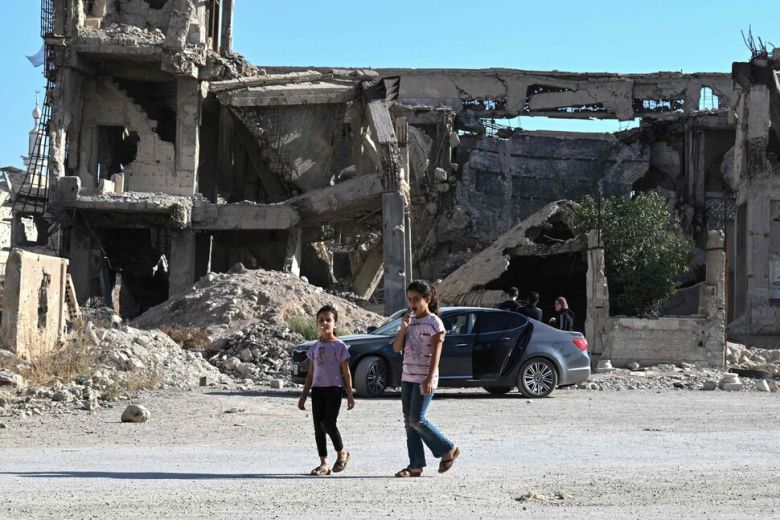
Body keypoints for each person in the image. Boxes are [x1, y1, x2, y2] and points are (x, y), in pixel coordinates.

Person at [392, 280, 460, 478]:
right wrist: (403, 327)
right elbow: (396, 348)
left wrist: (429, 379)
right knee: (409, 422)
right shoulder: (409, 320)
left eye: (416, 299)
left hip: (425, 378)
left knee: (417, 419)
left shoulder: (434, 323)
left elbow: (436, 354)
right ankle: (415, 465)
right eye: (410, 299)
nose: (412, 303)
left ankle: (448, 448)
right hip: (407, 377)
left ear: (427, 300)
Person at [298, 305, 355, 476]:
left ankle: (342, 453)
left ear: (335, 324)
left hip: (334, 390)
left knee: (328, 423)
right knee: (318, 427)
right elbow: (310, 374)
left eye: (328, 320)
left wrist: (350, 394)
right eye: (321, 320)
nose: (324, 323)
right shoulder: (314, 347)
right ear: (317, 323)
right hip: (317, 390)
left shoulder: (340, 346)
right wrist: (303, 396)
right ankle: (324, 463)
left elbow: (346, 372)